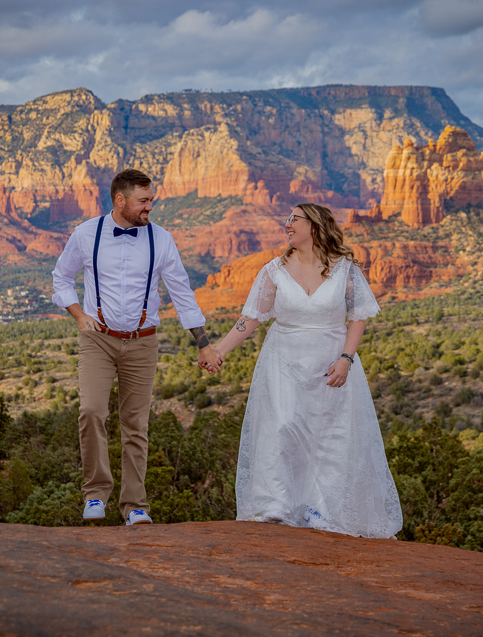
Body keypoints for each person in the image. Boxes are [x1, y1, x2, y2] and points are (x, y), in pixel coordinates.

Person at [211, 203, 402, 538]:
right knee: (281, 426)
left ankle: (321, 510)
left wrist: (346, 358)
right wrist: (219, 351)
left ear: (314, 226)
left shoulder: (345, 269)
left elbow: (358, 316)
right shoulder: (273, 270)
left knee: (330, 435)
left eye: (294, 219)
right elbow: (252, 317)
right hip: (283, 359)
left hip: (331, 361)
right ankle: (276, 504)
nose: (287, 224)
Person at [52, 168, 222, 525]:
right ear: (120, 200)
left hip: (143, 342)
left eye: (151, 200)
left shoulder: (161, 239)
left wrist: (204, 345)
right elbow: (61, 277)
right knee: (91, 411)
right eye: (144, 201)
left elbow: (182, 293)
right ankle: (95, 494)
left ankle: (134, 506)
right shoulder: (86, 234)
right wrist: (78, 315)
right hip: (98, 339)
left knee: (135, 424)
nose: (150, 207)